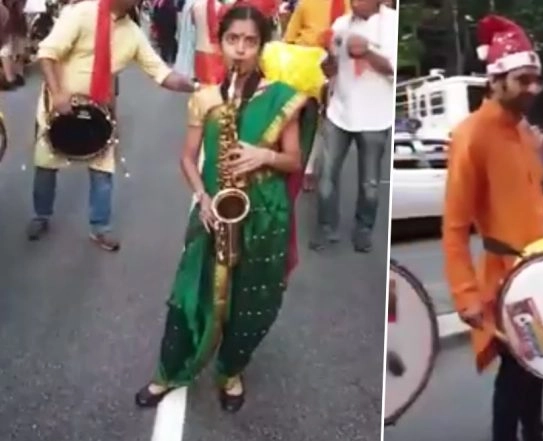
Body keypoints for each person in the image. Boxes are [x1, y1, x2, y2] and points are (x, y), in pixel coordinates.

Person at [134, 3, 317, 412]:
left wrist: (262, 156)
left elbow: (294, 161)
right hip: (215, 209)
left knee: (252, 299)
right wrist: (201, 197)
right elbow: (187, 158)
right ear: (220, 43)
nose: (241, 49)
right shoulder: (205, 98)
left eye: (251, 41)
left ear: (262, 46)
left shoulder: (281, 99)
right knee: (189, 292)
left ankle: (231, 371)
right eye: (233, 39)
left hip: (265, 214)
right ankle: (168, 372)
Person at [443, 15, 543, 441]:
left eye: (536, 80)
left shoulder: (524, 134)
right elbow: (454, 225)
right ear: (497, 79)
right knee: (515, 371)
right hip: (504, 278)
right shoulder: (471, 135)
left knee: (535, 364)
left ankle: (534, 432)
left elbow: (526, 201)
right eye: (523, 80)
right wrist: (465, 294)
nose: (533, 89)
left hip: (539, 272)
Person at [28, 0, 196, 248]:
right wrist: (58, 94)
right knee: (45, 166)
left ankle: (100, 228)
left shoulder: (132, 34)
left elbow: (163, 75)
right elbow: (47, 53)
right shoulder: (82, 13)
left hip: (98, 114)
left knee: (103, 171)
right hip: (59, 109)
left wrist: (200, 87)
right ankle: (41, 215)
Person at [309, 0, 395, 253]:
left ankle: (363, 230)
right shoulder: (341, 24)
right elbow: (330, 69)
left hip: (376, 117)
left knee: (369, 183)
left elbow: (394, 70)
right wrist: (329, 60)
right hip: (340, 112)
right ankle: (326, 229)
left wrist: (367, 53)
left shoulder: (391, 24)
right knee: (326, 175)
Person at [283, 0, 350, 191]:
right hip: (305, 68)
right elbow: (289, 39)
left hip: (336, 65)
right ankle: (302, 164)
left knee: (326, 118)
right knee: (303, 116)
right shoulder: (306, 4)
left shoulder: (350, 5)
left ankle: (311, 167)